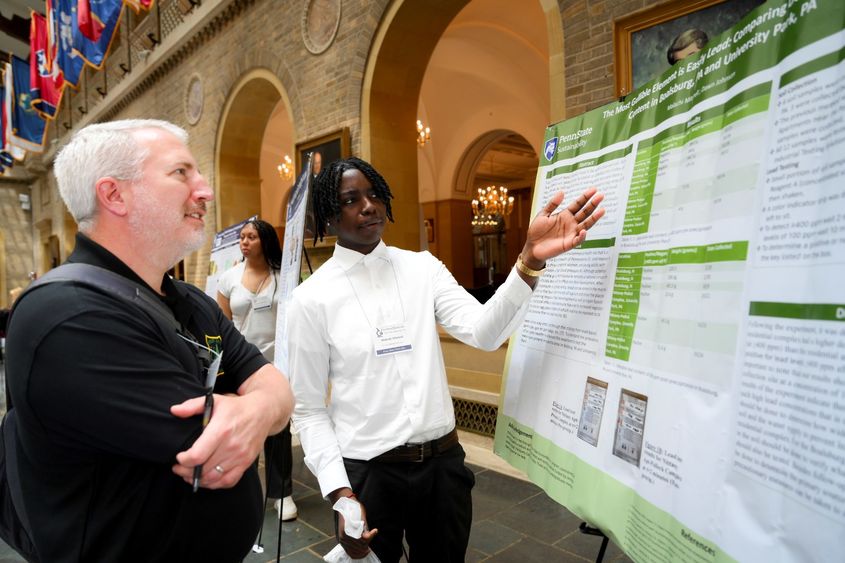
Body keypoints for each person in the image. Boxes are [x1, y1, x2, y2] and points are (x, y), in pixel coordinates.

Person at [286, 157, 604, 562]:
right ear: (329, 218)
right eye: (350, 200)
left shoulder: (422, 269)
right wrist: (341, 493)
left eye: (374, 194)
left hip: (441, 469)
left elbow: (484, 332)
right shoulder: (311, 299)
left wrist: (529, 261)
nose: (368, 206)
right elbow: (310, 410)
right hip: (368, 475)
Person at [5, 119, 294, 562]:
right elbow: (208, 442)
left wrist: (256, 408)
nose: (205, 191)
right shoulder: (70, 316)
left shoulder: (191, 301)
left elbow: (276, 386)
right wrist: (256, 407)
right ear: (114, 195)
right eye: (181, 173)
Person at [216, 218, 298, 521]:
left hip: (276, 364)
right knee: (244, 428)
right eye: (242, 237)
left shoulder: (283, 277)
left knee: (278, 430)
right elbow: (222, 327)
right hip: (241, 367)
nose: (244, 242)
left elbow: (294, 320)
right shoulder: (229, 278)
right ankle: (245, 490)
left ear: (265, 240)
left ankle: (282, 493)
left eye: (251, 237)